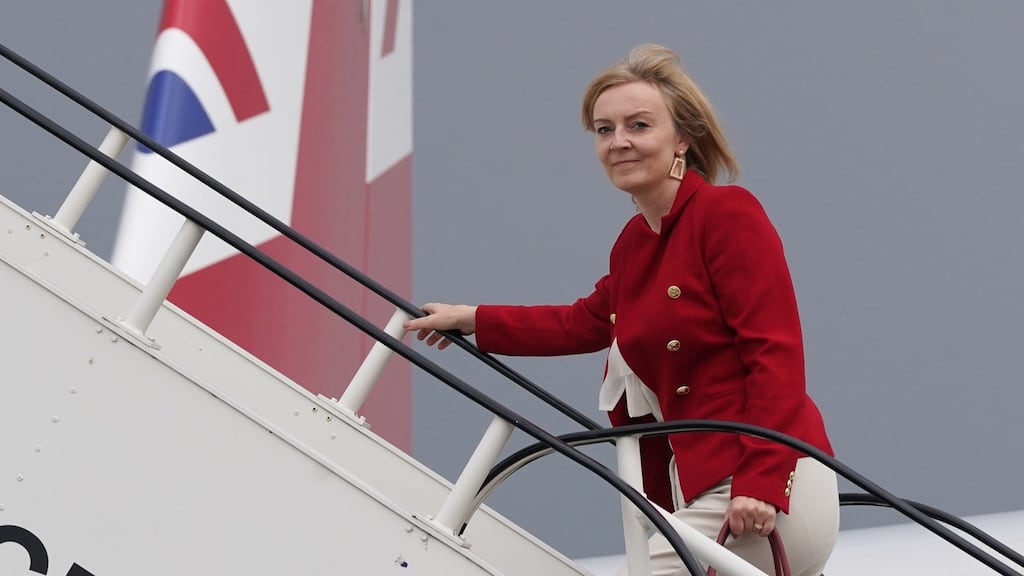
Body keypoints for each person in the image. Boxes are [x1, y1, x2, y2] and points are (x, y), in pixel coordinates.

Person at [404, 44, 839, 576]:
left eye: (638, 125)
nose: (619, 142)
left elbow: (776, 355)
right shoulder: (635, 243)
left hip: (766, 480)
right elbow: (584, 321)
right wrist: (474, 319)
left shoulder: (727, 215)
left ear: (682, 137)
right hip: (702, 483)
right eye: (604, 130)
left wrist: (761, 483)